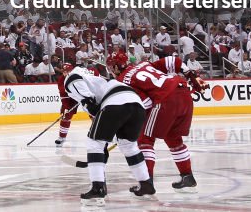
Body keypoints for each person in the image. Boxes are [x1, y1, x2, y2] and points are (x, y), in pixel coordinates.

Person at [108, 52, 200, 191]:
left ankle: (147, 183)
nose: (110, 71)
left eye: (110, 67)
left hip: (166, 99)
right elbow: (173, 61)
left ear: (115, 67)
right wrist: (192, 77)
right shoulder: (144, 64)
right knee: (173, 138)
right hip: (184, 92)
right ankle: (188, 176)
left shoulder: (123, 80)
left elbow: (145, 103)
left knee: (145, 139)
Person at [64, 66, 155, 202]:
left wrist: (87, 102)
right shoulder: (98, 79)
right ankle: (146, 184)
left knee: (94, 142)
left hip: (116, 102)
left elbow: (90, 101)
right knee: (129, 146)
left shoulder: (71, 78)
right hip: (136, 103)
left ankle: (98, 187)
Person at [54, 60, 77, 146]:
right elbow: (63, 95)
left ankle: (102, 134)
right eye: (64, 71)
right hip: (69, 99)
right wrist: (66, 107)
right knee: (66, 116)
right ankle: (62, 137)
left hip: (82, 97)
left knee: (93, 114)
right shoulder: (61, 80)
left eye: (67, 71)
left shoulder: (77, 77)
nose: (65, 73)